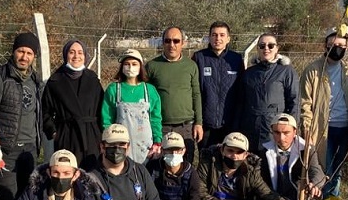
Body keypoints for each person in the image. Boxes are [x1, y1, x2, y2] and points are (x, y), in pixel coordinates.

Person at [300, 27, 348, 200]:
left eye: (342, 46)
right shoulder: (313, 70)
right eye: (334, 45)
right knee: (321, 172)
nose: (338, 49)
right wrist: (307, 127)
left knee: (336, 173)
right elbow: (305, 103)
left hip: (345, 128)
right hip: (321, 130)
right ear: (325, 45)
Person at [0, 32, 43, 200]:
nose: (24, 57)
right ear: (13, 51)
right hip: (6, 149)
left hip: (30, 149)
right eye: (20, 51)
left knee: (27, 197)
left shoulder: (35, 80)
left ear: (34, 56)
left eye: (29, 53)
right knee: (8, 197)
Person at [260, 114, 329, 200]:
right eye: (277, 133)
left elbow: (318, 171)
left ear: (295, 132)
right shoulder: (264, 151)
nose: (282, 138)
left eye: (286, 133)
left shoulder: (307, 150)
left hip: (303, 199)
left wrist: (314, 184)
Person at [42, 39, 104, 170]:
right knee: (68, 173)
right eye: (72, 52)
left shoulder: (93, 80)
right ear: (65, 55)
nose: (76, 56)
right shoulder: (55, 81)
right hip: (67, 135)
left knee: (92, 175)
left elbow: (101, 109)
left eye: (80, 52)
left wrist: (102, 134)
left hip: (91, 136)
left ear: (85, 56)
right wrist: (53, 132)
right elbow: (45, 111)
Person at [146, 27, 203, 163]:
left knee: (186, 166)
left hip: (186, 127)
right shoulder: (152, 66)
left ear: (183, 43)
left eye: (176, 41)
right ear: (162, 43)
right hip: (161, 127)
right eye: (168, 41)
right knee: (160, 166)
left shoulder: (191, 66)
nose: (172, 45)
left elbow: (196, 94)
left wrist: (199, 123)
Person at [236, 34, 299, 153]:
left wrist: (290, 129)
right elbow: (240, 102)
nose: (266, 49)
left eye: (271, 45)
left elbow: (294, 101)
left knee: (272, 165)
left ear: (277, 48)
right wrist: (237, 128)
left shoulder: (286, 71)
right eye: (262, 45)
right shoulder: (249, 73)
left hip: (275, 129)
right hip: (250, 128)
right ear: (257, 48)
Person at [101, 49, 162, 163]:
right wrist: (108, 141)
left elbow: (155, 119)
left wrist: (157, 141)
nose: (130, 67)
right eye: (126, 64)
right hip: (120, 146)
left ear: (140, 67)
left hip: (146, 149)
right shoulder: (114, 89)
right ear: (121, 67)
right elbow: (107, 119)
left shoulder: (149, 90)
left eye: (134, 64)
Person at [192, 21, 245, 147]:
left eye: (222, 35)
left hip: (229, 123)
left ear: (228, 38)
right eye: (214, 35)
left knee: (228, 161)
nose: (218, 38)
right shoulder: (199, 57)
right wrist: (197, 121)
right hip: (205, 125)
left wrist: (237, 122)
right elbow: (194, 91)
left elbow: (241, 92)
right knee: (206, 160)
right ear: (209, 37)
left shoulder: (236, 59)